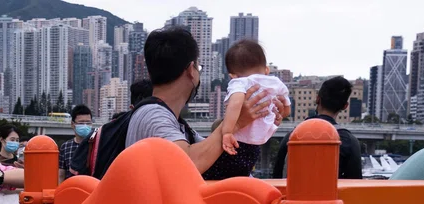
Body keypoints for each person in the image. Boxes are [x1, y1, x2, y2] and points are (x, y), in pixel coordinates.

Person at [72, 27, 287, 181]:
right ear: (191, 70)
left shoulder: (175, 123)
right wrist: (236, 124)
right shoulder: (153, 116)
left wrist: (255, 123)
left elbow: (216, 156)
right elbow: (188, 163)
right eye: (199, 68)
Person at [207, 39, 291, 179]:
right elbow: (286, 109)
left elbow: (235, 103)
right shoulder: (276, 82)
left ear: (232, 75)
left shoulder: (241, 82)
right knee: (243, 173)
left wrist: (227, 131)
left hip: (238, 140)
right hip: (258, 142)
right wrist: (280, 114)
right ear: (266, 70)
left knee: (220, 175)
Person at [273, 76, 363, 180]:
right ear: (345, 106)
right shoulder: (350, 142)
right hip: (332, 196)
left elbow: (277, 178)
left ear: (317, 99)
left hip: (295, 195)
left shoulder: (293, 136)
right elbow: (354, 183)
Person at [58, 105, 93, 182]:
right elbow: (61, 174)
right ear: (72, 124)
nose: (85, 125)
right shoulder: (65, 147)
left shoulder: (96, 145)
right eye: (81, 123)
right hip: (71, 189)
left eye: (88, 122)